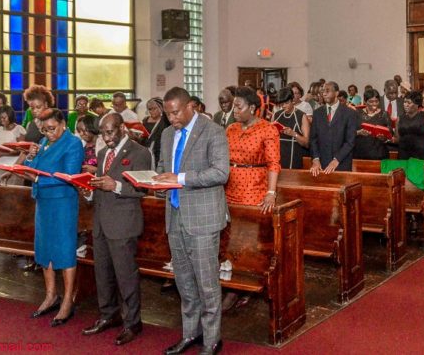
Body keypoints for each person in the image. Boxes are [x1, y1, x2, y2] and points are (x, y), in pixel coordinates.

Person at [153, 87, 229, 355]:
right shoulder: (166, 134)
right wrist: (155, 180)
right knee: (184, 281)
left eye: (175, 113)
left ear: (190, 107)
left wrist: (180, 178)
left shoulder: (213, 131)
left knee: (207, 283)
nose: (171, 118)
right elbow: (163, 167)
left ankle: (212, 340)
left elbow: (220, 172)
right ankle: (190, 333)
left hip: (203, 217)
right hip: (175, 215)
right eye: (168, 114)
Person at [1, 108, 83, 326]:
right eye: (45, 130)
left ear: (63, 124)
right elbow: (31, 169)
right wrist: (30, 156)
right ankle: (50, 295)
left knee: (64, 249)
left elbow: (69, 176)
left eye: (52, 129)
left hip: (63, 202)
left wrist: (38, 180)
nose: (48, 133)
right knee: (45, 247)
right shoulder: (45, 142)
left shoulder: (73, 143)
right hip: (44, 202)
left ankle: (67, 300)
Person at [82, 113, 152, 345]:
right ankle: (108, 315)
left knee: (126, 277)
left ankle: (132, 323)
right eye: (103, 133)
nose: (106, 138)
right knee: (102, 275)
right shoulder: (103, 153)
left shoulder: (140, 153)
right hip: (101, 222)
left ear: (122, 128)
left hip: (124, 224)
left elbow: (142, 189)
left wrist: (116, 186)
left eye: (110, 132)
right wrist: (89, 192)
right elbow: (101, 186)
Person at [222, 86, 281, 311]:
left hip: (253, 186)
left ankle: (242, 285)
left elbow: (273, 164)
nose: (235, 110)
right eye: (234, 107)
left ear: (253, 108)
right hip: (230, 186)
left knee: (247, 237)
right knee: (229, 236)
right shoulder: (231, 129)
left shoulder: (267, 129)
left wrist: (271, 193)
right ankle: (233, 280)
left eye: (239, 106)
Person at [309, 81, 359, 175]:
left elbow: (350, 141)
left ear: (336, 93)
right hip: (321, 165)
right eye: (323, 91)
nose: (324, 94)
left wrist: (336, 160)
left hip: (341, 163)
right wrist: (315, 159)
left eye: (327, 91)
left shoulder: (349, 113)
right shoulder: (317, 113)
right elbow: (313, 139)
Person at [271, 87, 310, 169]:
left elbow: (307, 143)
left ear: (293, 100)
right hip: (278, 159)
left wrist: (294, 134)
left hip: (295, 159)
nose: (283, 106)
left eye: (286, 103)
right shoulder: (276, 115)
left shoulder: (302, 116)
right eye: (281, 104)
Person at [397, 91, 424, 161]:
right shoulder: (399, 119)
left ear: (417, 104)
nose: (406, 105)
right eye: (405, 102)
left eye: (409, 103)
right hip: (403, 155)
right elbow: (397, 138)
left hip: (421, 155)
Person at [354, 88, 392, 160]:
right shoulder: (356, 113)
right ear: (365, 101)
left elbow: (390, 133)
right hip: (359, 152)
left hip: (379, 152)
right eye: (371, 101)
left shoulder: (384, 114)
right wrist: (359, 132)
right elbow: (348, 131)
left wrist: (384, 137)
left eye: (376, 101)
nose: (374, 104)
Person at [143, 97, 170, 166]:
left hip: (159, 150)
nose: (152, 111)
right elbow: (144, 137)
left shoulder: (165, 121)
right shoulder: (145, 121)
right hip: (146, 150)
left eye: (154, 108)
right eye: (150, 109)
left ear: (161, 108)